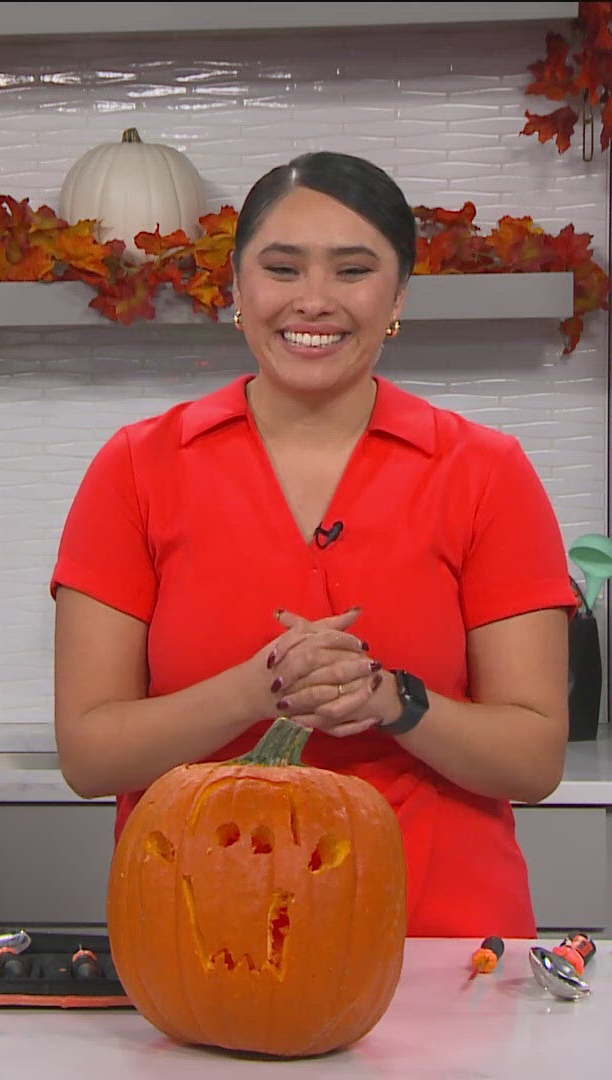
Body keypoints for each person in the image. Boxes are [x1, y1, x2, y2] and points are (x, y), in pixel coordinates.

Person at [51, 151, 573, 937]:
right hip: (197, 938)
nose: (316, 301)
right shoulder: (136, 468)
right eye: (283, 268)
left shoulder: (486, 473)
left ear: (397, 296)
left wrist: (390, 698)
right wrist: (260, 689)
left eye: (354, 270)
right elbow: (90, 756)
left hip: (441, 944)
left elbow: (533, 760)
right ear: (237, 289)